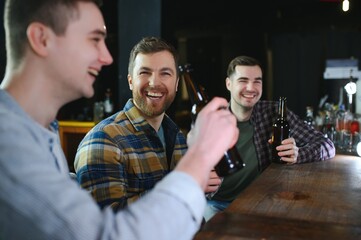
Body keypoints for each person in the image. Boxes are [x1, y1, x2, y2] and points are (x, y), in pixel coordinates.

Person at [0, 0, 239, 239]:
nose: (107, 57)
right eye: (94, 39)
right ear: (42, 39)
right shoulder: (9, 142)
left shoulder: (41, 134)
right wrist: (198, 163)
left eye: (165, 73)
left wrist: (199, 184)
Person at [203, 55, 336, 221]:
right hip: (217, 203)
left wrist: (297, 154)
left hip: (260, 201)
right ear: (228, 84)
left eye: (257, 81)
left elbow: (327, 145)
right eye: (243, 80)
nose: (251, 87)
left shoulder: (274, 112)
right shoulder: (210, 121)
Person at [74, 36, 188, 211]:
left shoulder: (178, 135)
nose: (155, 82)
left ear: (177, 83)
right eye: (144, 72)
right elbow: (108, 225)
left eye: (165, 73)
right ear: (130, 81)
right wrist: (184, 187)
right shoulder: (104, 140)